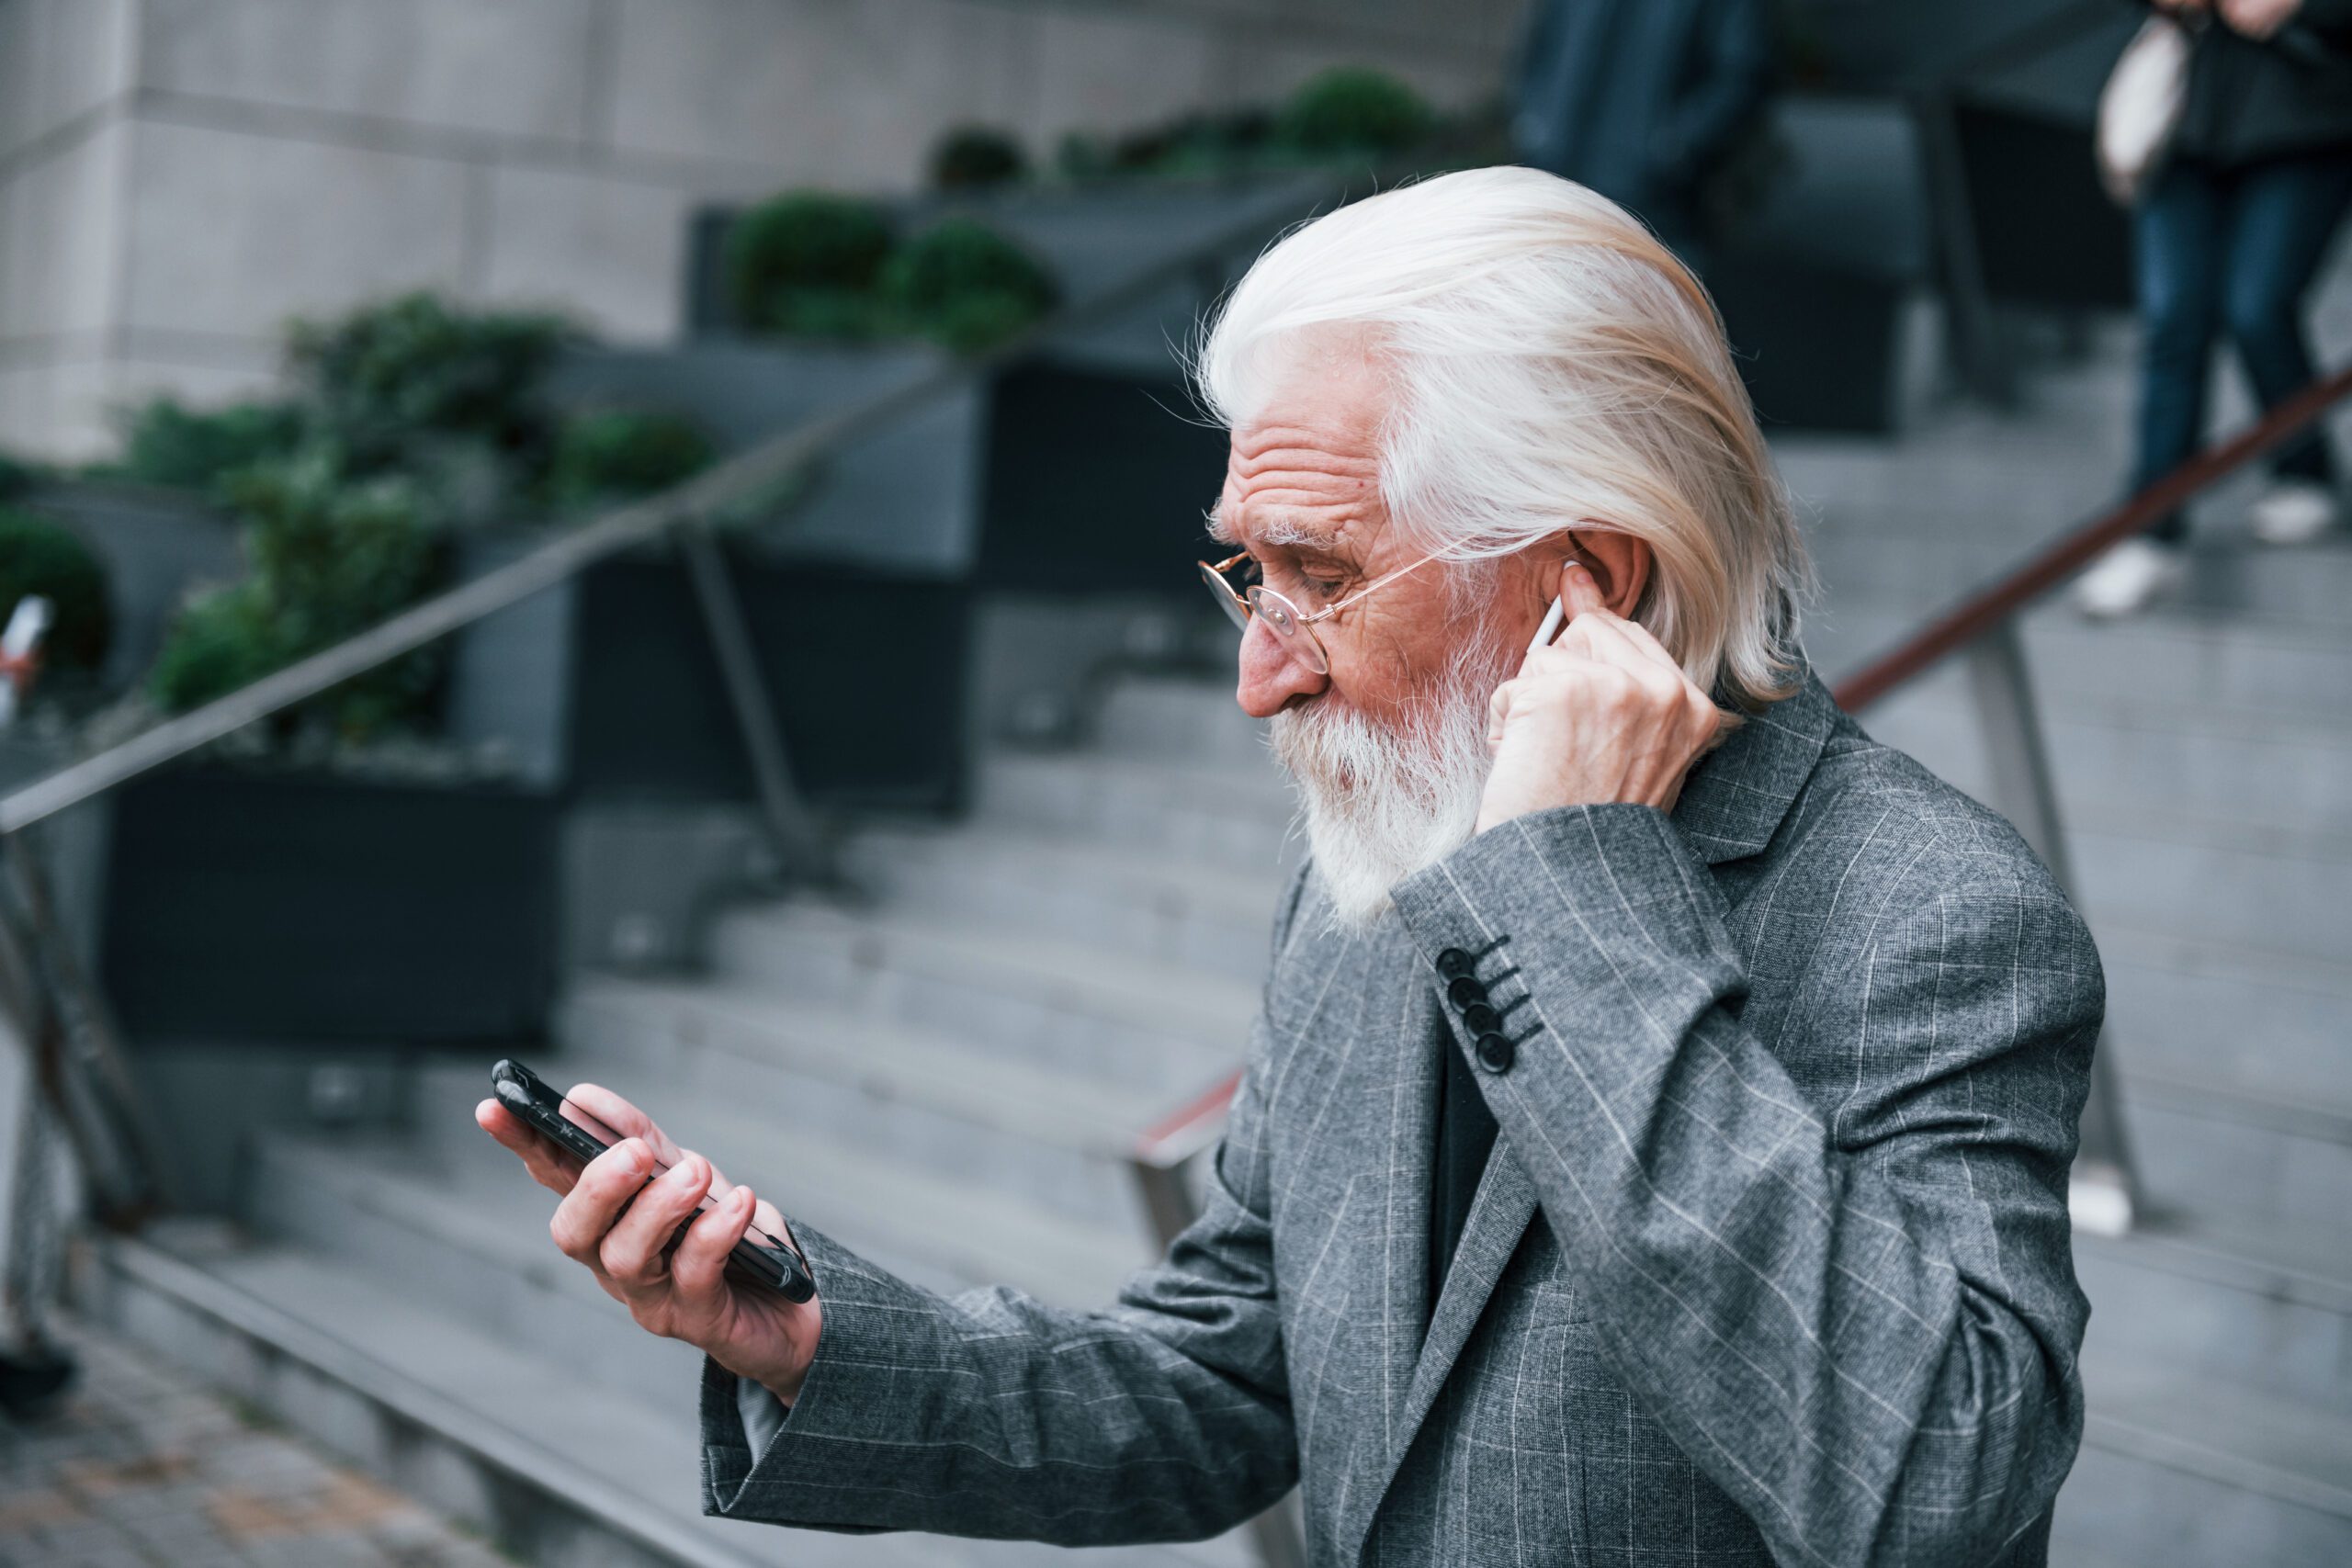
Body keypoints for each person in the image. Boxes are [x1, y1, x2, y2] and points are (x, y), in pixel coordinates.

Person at [479, 168, 2103, 1566]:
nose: (1260, 673)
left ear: (1589, 585)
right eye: (1245, 573)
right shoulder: (1384, 856)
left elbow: (1935, 1483)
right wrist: (809, 1338)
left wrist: (1583, 891)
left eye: (1316, 577)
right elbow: (1230, 1369)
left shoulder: (1935, 912)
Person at [2077, 0, 2352, 617]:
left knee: (2256, 305)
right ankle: (2152, 528)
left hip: (2307, 113)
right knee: (2174, 319)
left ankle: (2304, 471)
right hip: (2190, 119)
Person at [1508, 0, 1775, 266]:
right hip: (1556, 181)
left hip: (1654, 207)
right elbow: (1543, 44)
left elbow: (1743, 74)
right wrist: (1535, 123)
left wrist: (1676, 147)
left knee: (1641, 303)